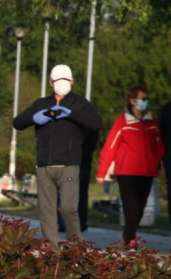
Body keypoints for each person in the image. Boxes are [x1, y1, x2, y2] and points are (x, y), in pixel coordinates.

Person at [13, 64, 101, 247]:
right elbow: (18, 122)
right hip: (45, 164)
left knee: (68, 208)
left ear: (72, 82)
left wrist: (71, 114)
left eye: (66, 80)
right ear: (50, 83)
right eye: (57, 80)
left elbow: (95, 123)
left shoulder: (80, 104)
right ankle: (52, 249)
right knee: (46, 211)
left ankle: (75, 245)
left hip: (69, 164)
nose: (62, 84)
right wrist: (34, 117)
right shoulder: (41, 104)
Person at [95, 84, 164, 247]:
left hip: (147, 171)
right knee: (130, 206)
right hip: (126, 172)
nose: (145, 102)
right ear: (132, 100)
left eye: (146, 99)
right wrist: (101, 172)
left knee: (141, 206)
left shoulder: (152, 121)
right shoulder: (122, 121)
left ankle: (129, 231)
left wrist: (156, 161)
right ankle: (130, 238)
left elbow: (159, 145)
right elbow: (110, 147)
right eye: (142, 99)